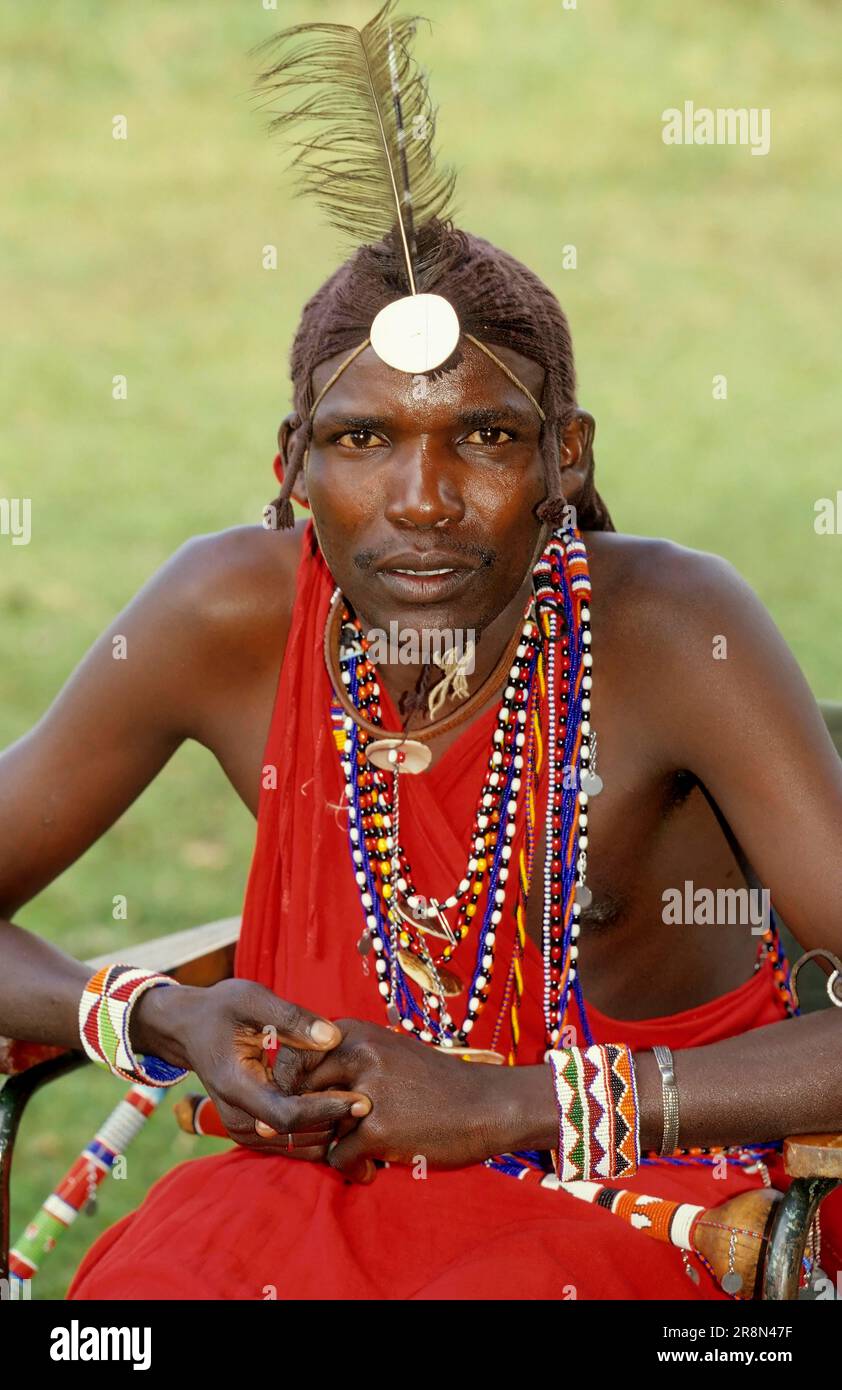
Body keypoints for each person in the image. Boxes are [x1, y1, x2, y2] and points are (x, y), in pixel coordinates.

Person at [3, 6, 842, 1300]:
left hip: (656, 1193)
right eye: (361, 439)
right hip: (312, 1183)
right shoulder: (223, 613)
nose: (421, 495)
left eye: (485, 439)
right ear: (288, 464)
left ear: (566, 455)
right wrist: (157, 1015)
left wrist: (509, 1102)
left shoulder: (674, 630)